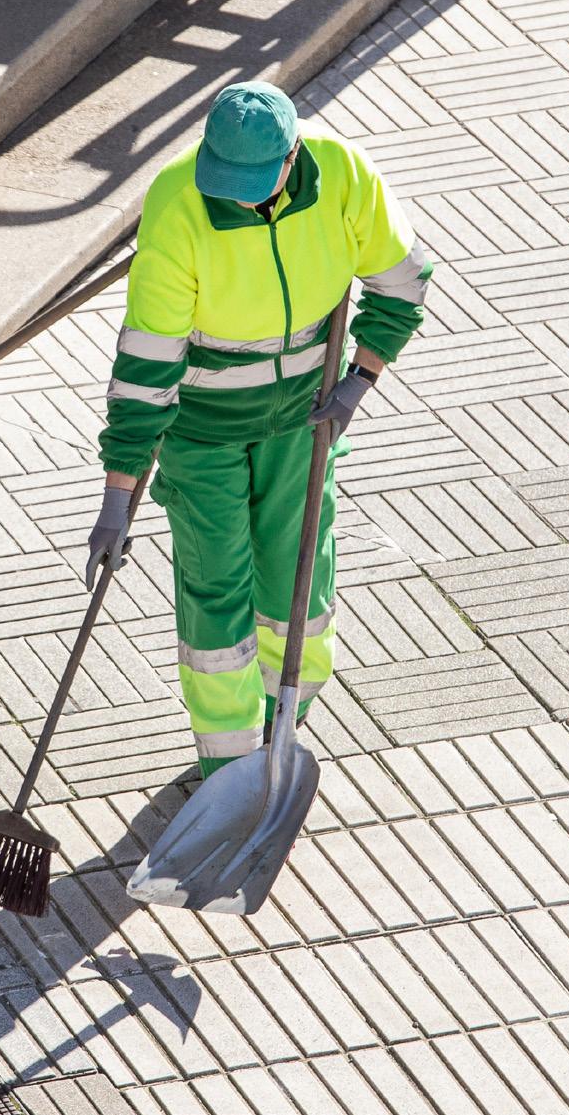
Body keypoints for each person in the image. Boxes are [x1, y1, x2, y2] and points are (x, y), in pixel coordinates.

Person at [87, 81, 431, 780]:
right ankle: (226, 768)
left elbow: (403, 282)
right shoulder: (178, 201)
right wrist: (117, 496)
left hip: (303, 420)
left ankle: (283, 726)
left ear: (292, 155)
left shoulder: (343, 175)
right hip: (199, 433)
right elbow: (148, 363)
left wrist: (360, 379)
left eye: (253, 183)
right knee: (216, 588)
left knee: (295, 580)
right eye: (226, 181)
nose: (237, 198)